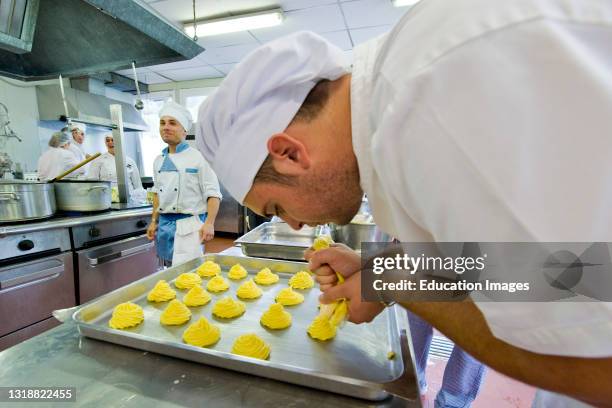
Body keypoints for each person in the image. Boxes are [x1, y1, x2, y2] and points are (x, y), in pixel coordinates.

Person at [195, 1, 612, 406]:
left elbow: (596, 363)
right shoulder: (401, 92)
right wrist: (382, 266)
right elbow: (520, 267)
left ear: (289, 153)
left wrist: (394, 281)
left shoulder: (429, 103)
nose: (296, 225)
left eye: (276, 208)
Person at [146, 100, 222, 266]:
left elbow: (214, 194)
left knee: (189, 273)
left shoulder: (199, 158)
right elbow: (157, 194)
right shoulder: (158, 161)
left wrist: (209, 223)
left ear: (184, 130)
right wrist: (153, 221)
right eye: (162, 123)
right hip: (165, 226)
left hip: (189, 226)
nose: (166, 127)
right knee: (166, 271)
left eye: (172, 123)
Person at [87, 134, 144, 198]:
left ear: (120, 142)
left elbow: (138, 186)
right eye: (108, 140)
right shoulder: (98, 160)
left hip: (129, 199)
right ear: (105, 143)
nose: (110, 142)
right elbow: (92, 183)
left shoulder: (129, 161)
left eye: (113, 140)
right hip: (107, 199)